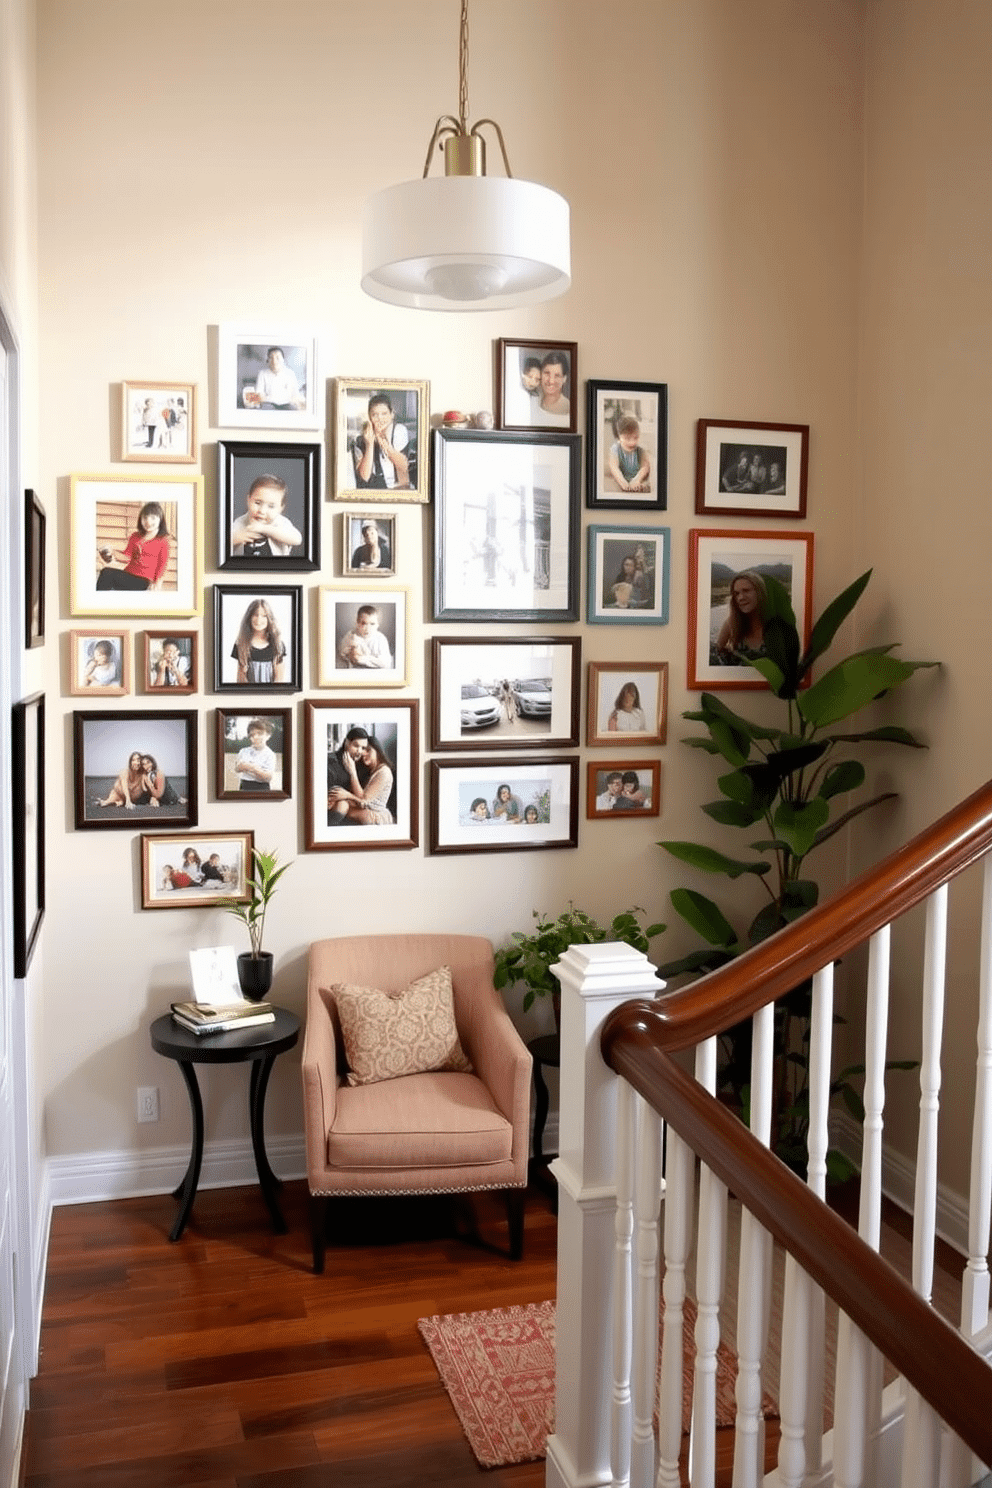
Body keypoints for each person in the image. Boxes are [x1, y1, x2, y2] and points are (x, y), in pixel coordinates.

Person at [96, 501, 171, 591]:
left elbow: (162, 566)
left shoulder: (163, 540)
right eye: (145, 517)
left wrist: (157, 584)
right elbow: (127, 556)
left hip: (144, 580)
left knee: (107, 573)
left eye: (153, 518)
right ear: (141, 519)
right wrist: (112, 551)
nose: (148, 521)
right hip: (128, 574)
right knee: (106, 574)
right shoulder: (135, 536)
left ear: (160, 519)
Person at [230, 474, 302, 559]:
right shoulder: (241, 522)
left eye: (271, 506)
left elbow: (297, 539)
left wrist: (264, 528)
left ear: (280, 508)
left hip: (275, 569)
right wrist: (236, 538)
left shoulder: (281, 522)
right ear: (248, 500)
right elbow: (221, 542)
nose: (262, 511)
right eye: (257, 503)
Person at [327, 735, 394, 825]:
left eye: (368, 749)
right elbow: (358, 798)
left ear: (377, 751)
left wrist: (352, 773)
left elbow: (364, 801)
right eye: (362, 750)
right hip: (364, 810)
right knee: (339, 801)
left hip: (373, 815)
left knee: (342, 804)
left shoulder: (384, 772)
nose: (363, 753)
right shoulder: (371, 770)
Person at [352, 393, 410, 490]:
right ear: (369, 417)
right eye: (375, 415)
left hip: (396, 488)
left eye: (384, 414)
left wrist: (381, 438)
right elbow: (365, 477)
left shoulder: (399, 430)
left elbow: (403, 466)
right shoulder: (360, 440)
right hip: (373, 490)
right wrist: (369, 444)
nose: (380, 419)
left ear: (392, 414)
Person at [714, 570, 768, 662]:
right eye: (736, 593)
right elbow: (715, 653)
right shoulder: (731, 622)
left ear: (760, 592)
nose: (740, 598)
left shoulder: (778, 624)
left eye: (746, 590)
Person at [231, 598, 287, 685]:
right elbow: (239, 681)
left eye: (264, 616)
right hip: (248, 696)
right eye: (255, 615)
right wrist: (243, 671)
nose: (259, 620)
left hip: (271, 696)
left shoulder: (278, 645)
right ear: (249, 617)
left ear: (269, 619)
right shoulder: (241, 644)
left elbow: (279, 680)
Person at [326, 726, 370, 821]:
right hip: (328, 810)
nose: (359, 751)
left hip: (349, 812)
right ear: (346, 742)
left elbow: (362, 800)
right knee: (342, 805)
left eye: (363, 748)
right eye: (356, 745)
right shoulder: (330, 762)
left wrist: (352, 772)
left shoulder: (362, 765)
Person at [337, 604, 392, 669]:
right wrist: (349, 655)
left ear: (377, 625)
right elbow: (342, 652)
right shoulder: (351, 635)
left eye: (372, 624)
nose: (368, 628)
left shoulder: (381, 639)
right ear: (357, 623)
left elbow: (386, 663)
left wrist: (361, 659)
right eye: (363, 623)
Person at [607, 415, 651, 493]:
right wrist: (624, 484)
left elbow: (645, 467)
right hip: (622, 480)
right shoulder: (616, 449)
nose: (632, 442)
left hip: (637, 479)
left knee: (645, 486)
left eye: (636, 437)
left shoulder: (640, 450)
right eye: (627, 438)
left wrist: (636, 480)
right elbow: (614, 467)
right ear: (619, 437)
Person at [254, 346, 304, 410]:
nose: (274, 361)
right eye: (271, 358)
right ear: (267, 360)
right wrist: (263, 402)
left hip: (287, 404)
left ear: (283, 360)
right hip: (268, 403)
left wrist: (297, 403)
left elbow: (295, 393)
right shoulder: (262, 373)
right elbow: (259, 392)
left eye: (278, 358)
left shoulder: (290, 373)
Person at [234, 718, 276, 792]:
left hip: (262, 787)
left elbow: (268, 777)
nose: (255, 737)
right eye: (252, 735)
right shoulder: (243, 751)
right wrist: (240, 767)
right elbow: (237, 768)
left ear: (268, 735)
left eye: (260, 733)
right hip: (244, 785)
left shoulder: (270, 754)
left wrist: (250, 767)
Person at [536, 350, 570, 424]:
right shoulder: (534, 400)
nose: (551, 381)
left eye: (557, 375)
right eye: (547, 373)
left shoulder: (568, 408)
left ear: (564, 379)